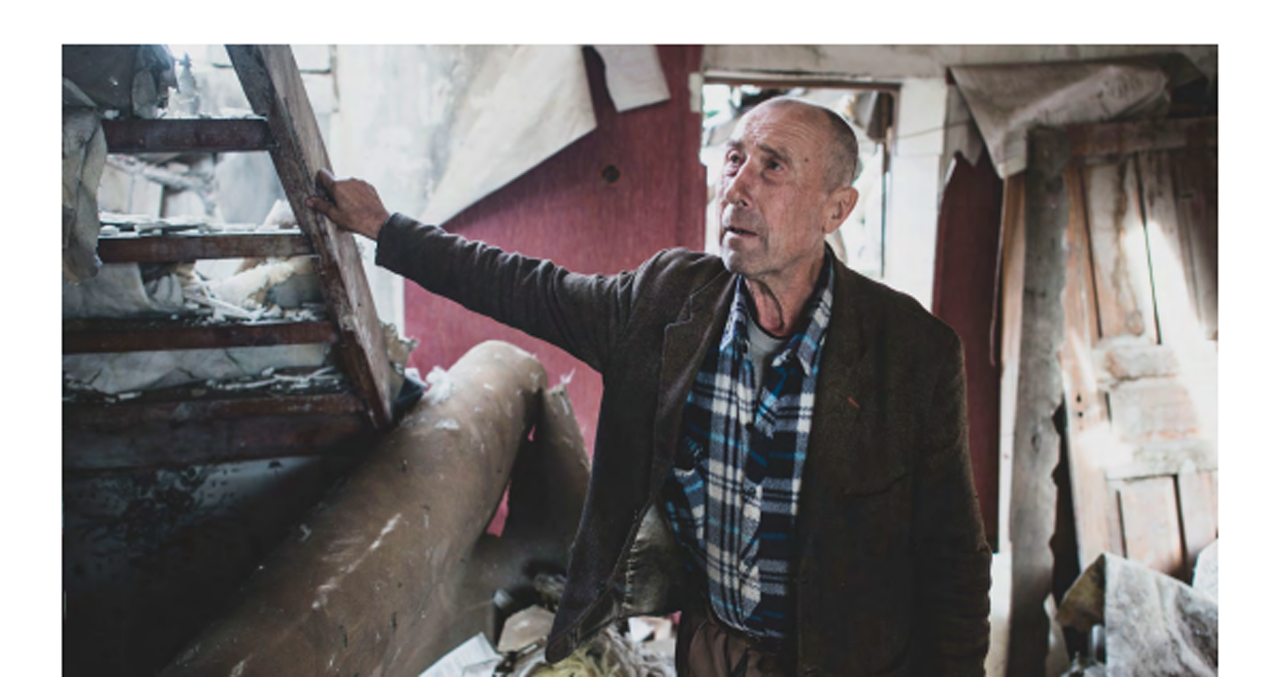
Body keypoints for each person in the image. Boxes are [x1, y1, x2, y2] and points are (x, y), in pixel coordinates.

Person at [307, 97, 991, 676]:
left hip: (846, 660)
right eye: (732, 160)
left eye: (772, 166)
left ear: (836, 209)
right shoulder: (669, 301)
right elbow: (526, 288)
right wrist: (384, 229)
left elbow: (954, 561)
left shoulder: (911, 352)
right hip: (712, 645)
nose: (737, 186)